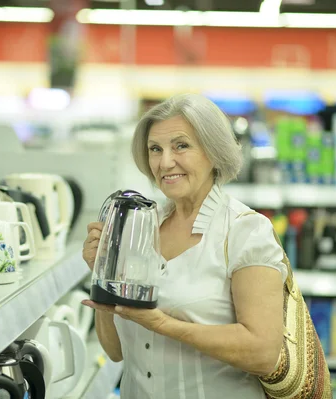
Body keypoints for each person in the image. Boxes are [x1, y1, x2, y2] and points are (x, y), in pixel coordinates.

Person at [81, 94, 288, 399]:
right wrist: (101, 273)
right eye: (155, 149)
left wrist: (162, 324)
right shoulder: (141, 226)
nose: (165, 162)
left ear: (213, 152)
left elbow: (263, 353)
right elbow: (115, 352)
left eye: (181, 146)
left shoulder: (246, 231)